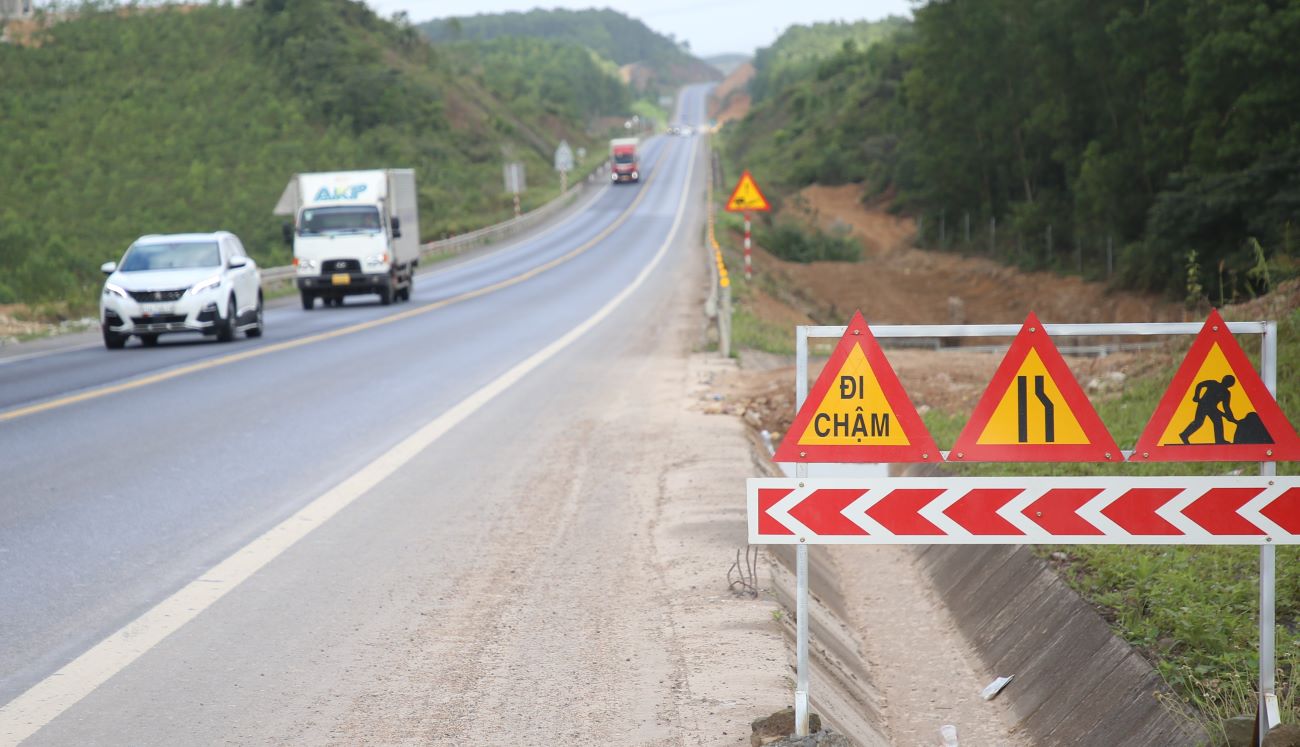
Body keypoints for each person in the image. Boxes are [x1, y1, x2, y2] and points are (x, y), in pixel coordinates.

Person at [1179, 375, 1238, 445]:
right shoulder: (1214, 383)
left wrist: (1230, 417)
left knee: (1218, 421)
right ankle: (1184, 435)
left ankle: (1219, 440)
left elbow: (1226, 407)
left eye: (1229, 383)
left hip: (1213, 408)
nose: (1227, 384)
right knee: (1198, 422)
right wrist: (1196, 396)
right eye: (1227, 381)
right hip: (1203, 405)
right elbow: (1200, 384)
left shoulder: (1226, 393)